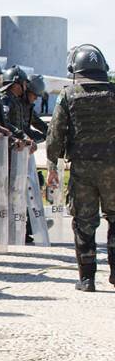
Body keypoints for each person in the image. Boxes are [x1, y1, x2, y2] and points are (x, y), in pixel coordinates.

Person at [46, 44, 115, 292]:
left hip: (83, 169)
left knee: (84, 222)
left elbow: (55, 133)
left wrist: (52, 165)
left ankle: (87, 279)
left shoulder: (68, 95)